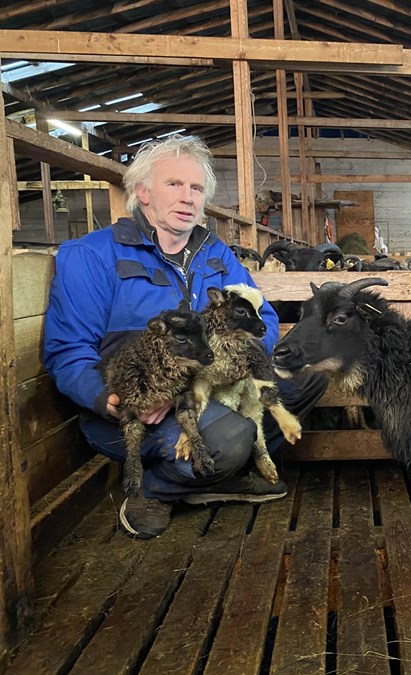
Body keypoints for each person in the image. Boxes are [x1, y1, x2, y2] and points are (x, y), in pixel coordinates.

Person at [43, 134, 327, 539]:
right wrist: (113, 399)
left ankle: (220, 474)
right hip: (140, 405)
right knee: (231, 437)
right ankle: (154, 490)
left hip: (209, 382)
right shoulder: (93, 256)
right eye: (174, 184)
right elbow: (68, 351)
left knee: (307, 377)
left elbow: (260, 315)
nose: (187, 197)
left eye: (196, 188)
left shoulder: (217, 255)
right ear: (143, 192)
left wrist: (235, 365)